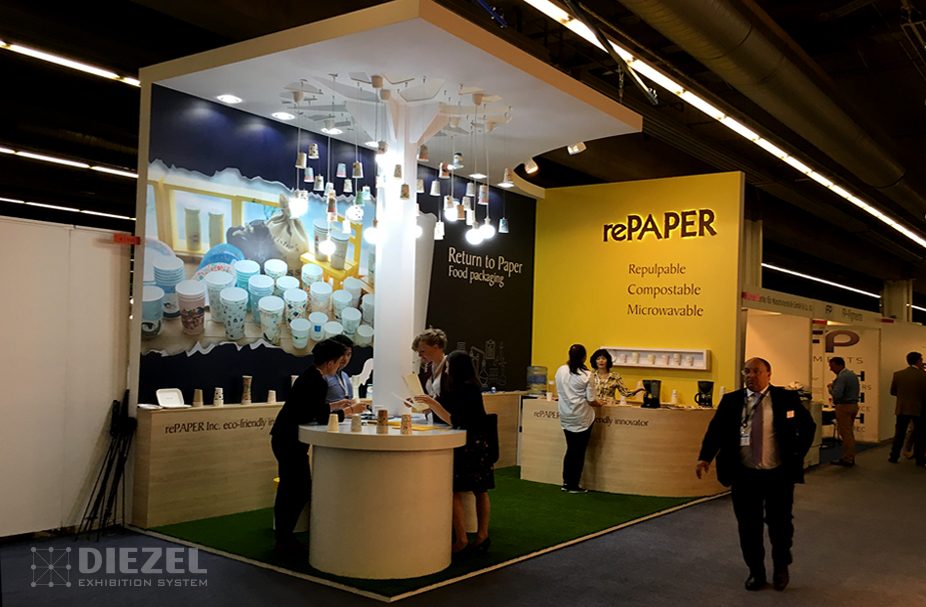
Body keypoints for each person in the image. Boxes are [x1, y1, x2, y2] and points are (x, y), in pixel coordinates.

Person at [696, 358, 815, 592]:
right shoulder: (732, 400)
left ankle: (781, 566)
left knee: (780, 524)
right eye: (747, 371)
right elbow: (716, 430)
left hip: (778, 474)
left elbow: (808, 427)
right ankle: (756, 571)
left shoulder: (786, 398)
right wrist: (705, 457)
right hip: (744, 474)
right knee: (748, 526)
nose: (751, 376)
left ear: (768, 374)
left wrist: (796, 454)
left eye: (756, 371)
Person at [269, 339, 366, 552]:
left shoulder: (310, 375)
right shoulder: (318, 381)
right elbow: (318, 416)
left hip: (285, 438)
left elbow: (309, 409)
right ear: (330, 362)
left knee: (292, 488)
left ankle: (284, 537)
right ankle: (284, 539)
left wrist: (335, 405)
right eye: (339, 361)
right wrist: (349, 411)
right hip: (289, 441)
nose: (340, 365)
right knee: (296, 489)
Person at [413, 351, 495, 553]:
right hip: (480, 444)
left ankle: (461, 539)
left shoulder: (461, 389)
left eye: (448, 367)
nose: (446, 371)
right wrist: (430, 405)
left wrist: (432, 404)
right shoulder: (472, 387)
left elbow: (454, 420)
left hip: (466, 445)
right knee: (480, 490)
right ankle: (482, 535)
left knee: (454, 490)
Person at [555, 344, 602, 494]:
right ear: (584, 357)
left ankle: (566, 482)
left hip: (565, 415)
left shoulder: (561, 370)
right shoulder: (587, 375)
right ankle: (574, 484)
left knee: (570, 449)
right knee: (578, 452)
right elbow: (592, 399)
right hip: (582, 417)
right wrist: (600, 403)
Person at [888, 351, 926, 467]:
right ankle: (920, 459)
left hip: (902, 408)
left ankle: (894, 456)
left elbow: (893, 391)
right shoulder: (923, 376)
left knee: (899, 434)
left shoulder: (898, 374)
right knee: (919, 435)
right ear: (918, 361)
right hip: (919, 409)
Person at [826, 356, 860, 467]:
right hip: (853, 405)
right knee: (849, 433)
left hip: (844, 407)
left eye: (832, 367)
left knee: (846, 435)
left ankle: (848, 459)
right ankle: (850, 457)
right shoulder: (852, 375)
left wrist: (830, 388)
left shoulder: (841, 377)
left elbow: (837, 394)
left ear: (840, 365)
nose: (831, 369)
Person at [412, 328, 450, 424]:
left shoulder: (450, 367)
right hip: (432, 420)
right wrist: (419, 400)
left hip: (448, 420)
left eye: (423, 351)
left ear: (435, 347)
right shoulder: (429, 368)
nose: (419, 355)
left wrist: (430, 403)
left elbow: (452, 398)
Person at [324, 334, 358, 411]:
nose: (345, 358)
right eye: (342, 354)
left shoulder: (345, 376)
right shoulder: (323, 376)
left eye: (348, 354)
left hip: (345, 416)